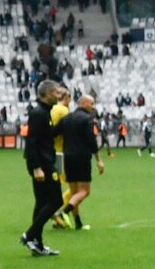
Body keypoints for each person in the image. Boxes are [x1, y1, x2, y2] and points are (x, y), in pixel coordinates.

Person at [21, 79, 64, 256]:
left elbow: (44, 138)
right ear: (47, 94)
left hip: (44, 162)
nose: (59, 95)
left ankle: (37, 244)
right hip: (43, 164)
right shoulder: (39, 113)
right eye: (56, 92)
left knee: (41, 203)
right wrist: (36, 167)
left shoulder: (44, 112)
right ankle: (30, 235)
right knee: (56, 201)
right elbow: (32, 141)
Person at [53, 94, 105, 231]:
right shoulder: (87, 119)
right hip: (82, 157)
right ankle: (63, 212)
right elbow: (91, 141)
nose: (92, 107)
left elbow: (54, 133)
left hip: (67, 157)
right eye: (91, 103)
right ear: (82, 103)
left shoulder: (66, 118)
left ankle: (78, 223)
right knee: (85, 191)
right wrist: (99, 160)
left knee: (74, 192)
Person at [49, 88, 72, 229]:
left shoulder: (52, 109)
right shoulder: (64, 111)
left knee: (56, 186)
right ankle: (56, 211)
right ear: (67, 97)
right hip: (61, 153)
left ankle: (57, 221)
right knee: (76, 188)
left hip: (51, 153)